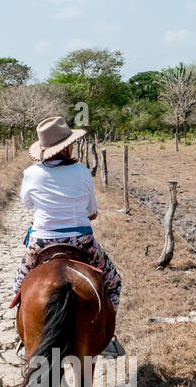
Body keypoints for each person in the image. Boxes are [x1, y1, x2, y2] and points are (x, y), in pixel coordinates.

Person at [14, 115, 123, 356]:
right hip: (81, 241)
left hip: (41, 242)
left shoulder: (31, 173)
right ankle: (104, 333)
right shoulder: (82, 172)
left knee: (19, 287)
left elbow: (27, 203)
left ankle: (26, 335)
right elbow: (92, 212)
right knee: (114, 283)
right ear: (68, 145)